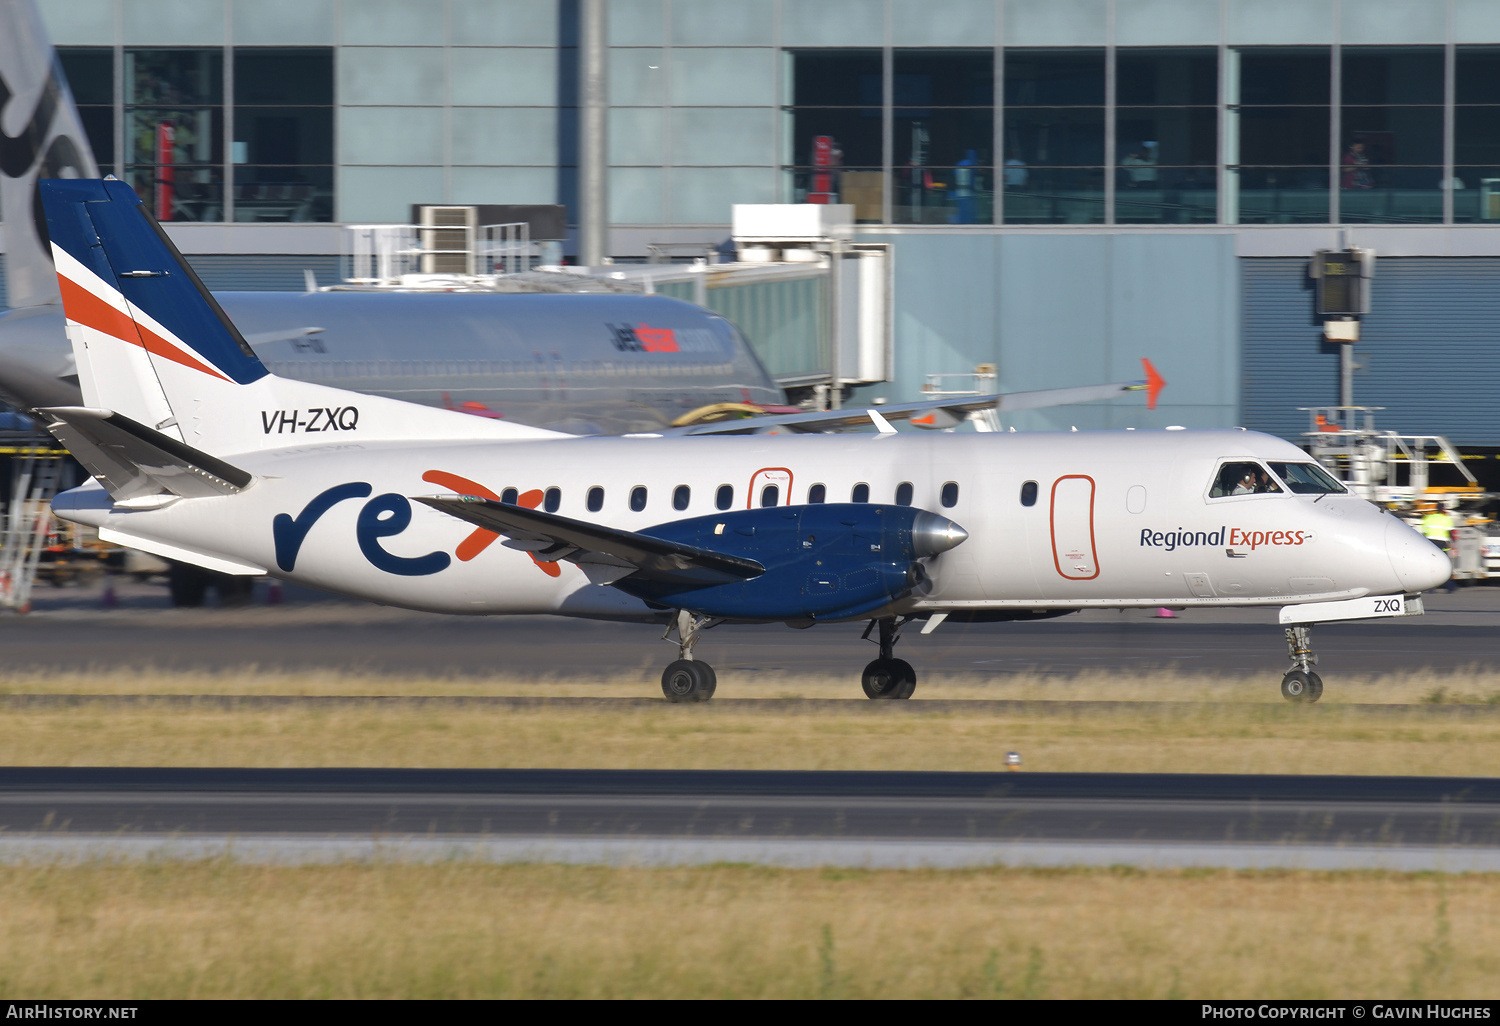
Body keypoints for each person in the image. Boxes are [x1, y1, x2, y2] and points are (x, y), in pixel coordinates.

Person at [1419, 504, 1458, 592]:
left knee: (1431, 565)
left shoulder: (1428, 518)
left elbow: (1424, 533)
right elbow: (1452, 533)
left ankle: (1431, 588)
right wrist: (1453, 544)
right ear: (1443, 509)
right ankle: (1450, 586)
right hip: (1442, 544)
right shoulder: (1446, 519)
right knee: (1443, 565)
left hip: (1431, 544)